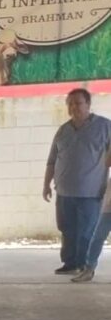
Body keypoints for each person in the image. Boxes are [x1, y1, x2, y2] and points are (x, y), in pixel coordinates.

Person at [43, 88, 111, 281]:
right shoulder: (63, 130)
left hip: (91, 193)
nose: (74, 107)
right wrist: (46, 184)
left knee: (87, 231)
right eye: (70, 104)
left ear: (88, 104)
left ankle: (84, 265)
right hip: (64, 191)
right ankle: (70, 263)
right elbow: (52, 160)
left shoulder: (105, 127)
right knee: (67, 229)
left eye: (78, 103)